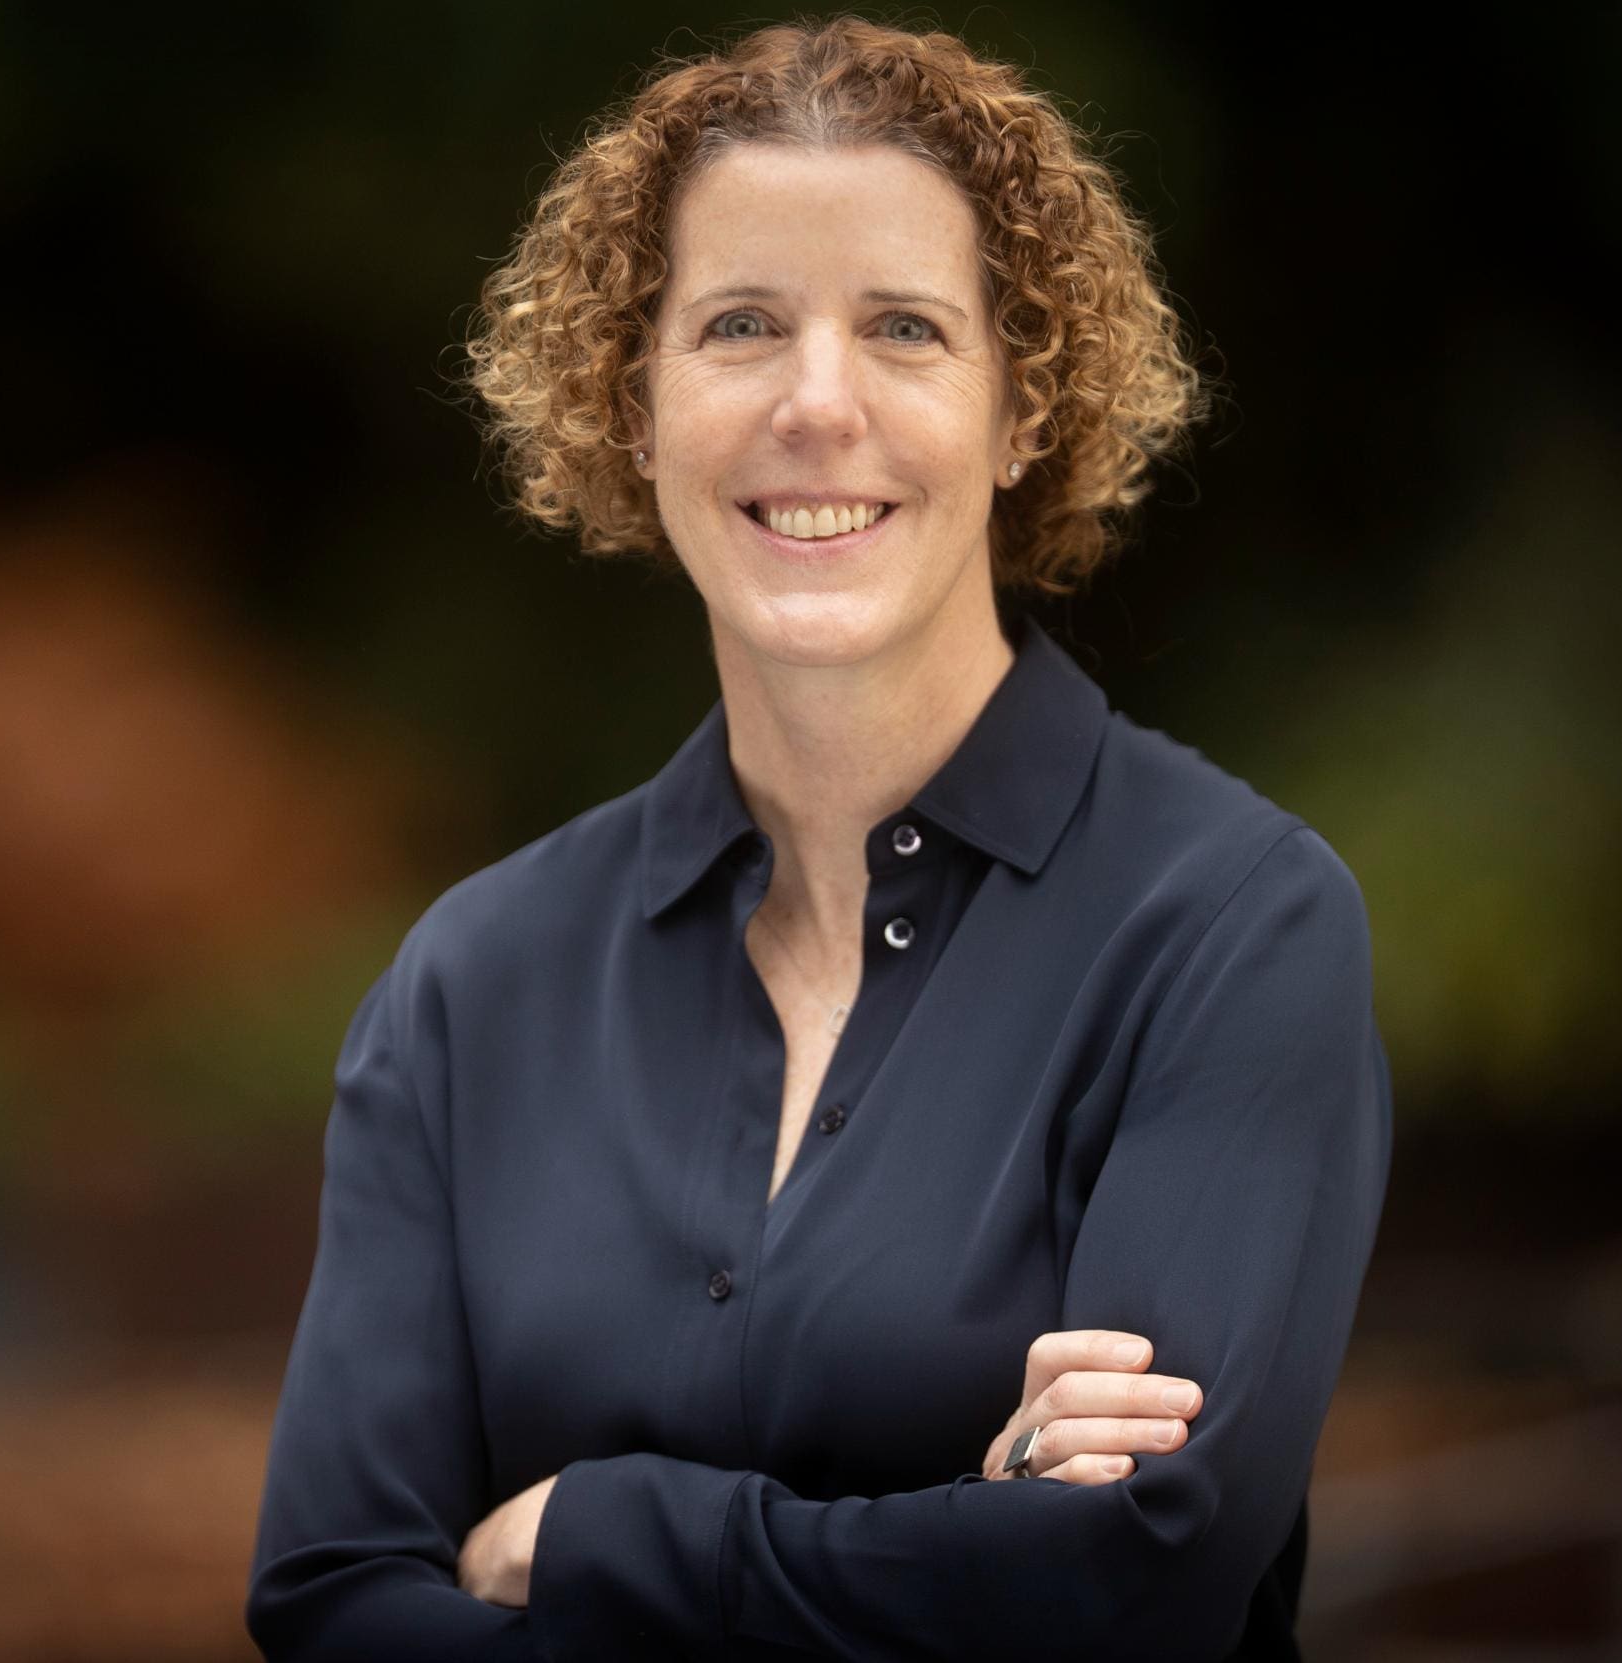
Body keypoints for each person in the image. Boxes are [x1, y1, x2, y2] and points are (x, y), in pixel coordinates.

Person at [246, 16, 1391, 1661]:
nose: (816, 404)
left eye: (906, 330)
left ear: (1020, 410)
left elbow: (1137, 1584)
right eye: (738, 326)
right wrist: (959, 1544)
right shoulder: (471, 984)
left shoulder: (1229, 929)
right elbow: (332, 1600)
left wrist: (589, 1535)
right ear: (630, 406)